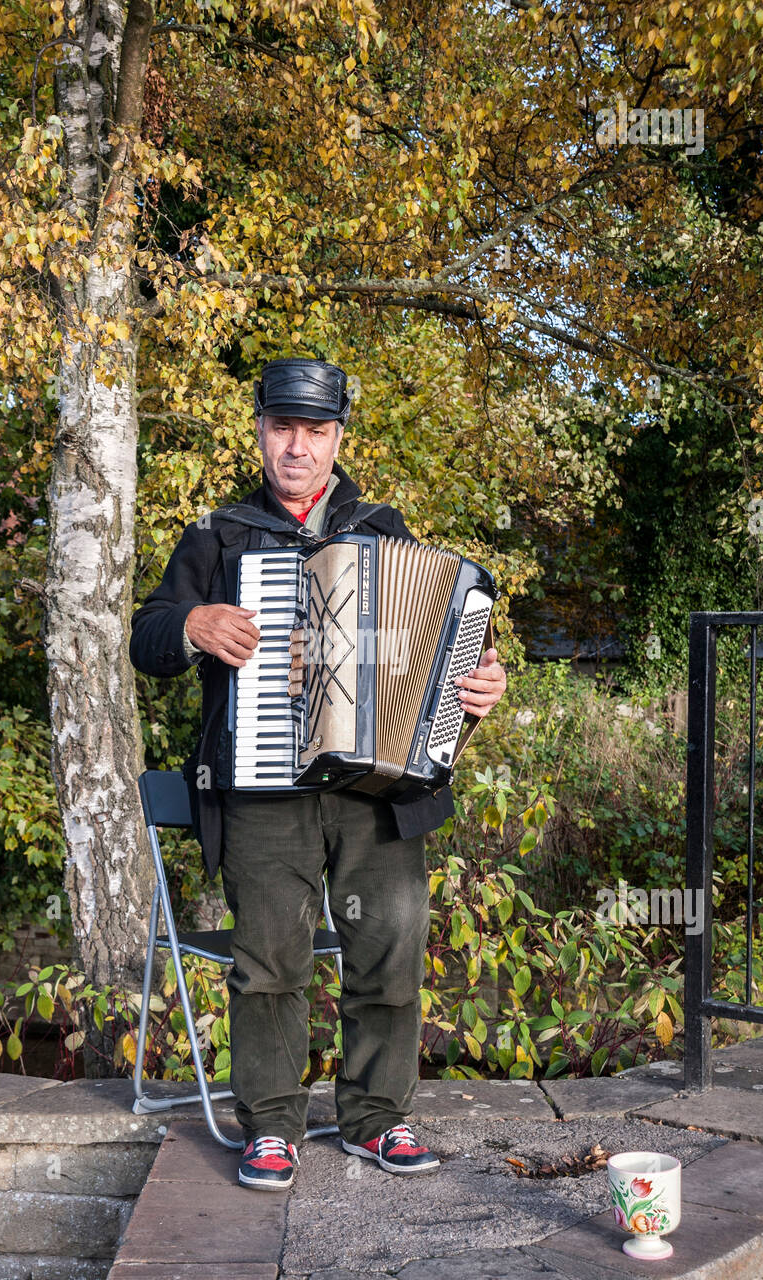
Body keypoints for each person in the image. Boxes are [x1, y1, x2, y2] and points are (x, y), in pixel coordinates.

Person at [129, 357, 507, 1190]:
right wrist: (192, 621)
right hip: (264, 793)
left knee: (392, 948)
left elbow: (442, 648)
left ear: (338, 437)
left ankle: (377, 1117)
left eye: (316, 430)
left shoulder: (384, 528)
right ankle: (270, 1125)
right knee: (267, 962)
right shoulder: (217, 538)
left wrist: (480, 685)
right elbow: (146, 639)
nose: (297, 448)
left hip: (376, 792)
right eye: (281, 428)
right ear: (260, 429)